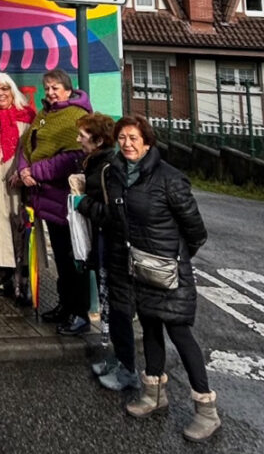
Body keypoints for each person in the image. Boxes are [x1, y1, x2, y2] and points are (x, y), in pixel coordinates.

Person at [97, 116, 219, 442]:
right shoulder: (117, 176)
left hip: (169, 272)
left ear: (147, 142)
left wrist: (176, 259)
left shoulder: (170, 179)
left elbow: (196, 232)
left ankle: (206, 410)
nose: (127, 143)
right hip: (138, 270)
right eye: (122, 137)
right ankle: (154, 393)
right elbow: (117, 221)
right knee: (150, 328)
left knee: (180, 335)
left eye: (134, 137)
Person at [17, 69, 90, 335]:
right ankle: (65, 306)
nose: (50, 92)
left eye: (56, 88)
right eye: (47, 88)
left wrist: (33, 172)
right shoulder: (45, 115)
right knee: (60, 257)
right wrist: (23, 168)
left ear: (68, 90)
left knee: (73, 259)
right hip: (47, 198)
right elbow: (26, 145)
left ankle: (79, 313)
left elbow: (70, 159)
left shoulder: (75, 117)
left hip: (65, 201)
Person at [72, 113, 135, 391]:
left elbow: (112, 213)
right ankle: (114, 358)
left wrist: (82, 202)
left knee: (117, 307)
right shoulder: (97, 162)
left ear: (97, 140)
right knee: (109, 303)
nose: (77, 140)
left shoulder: (108, 167)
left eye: (82, 136)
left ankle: (127, 367)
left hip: (115, 244)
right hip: (104, 242)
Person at [0, 73, 35, 300]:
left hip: (19, 177)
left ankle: (24, 278)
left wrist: (24, 170)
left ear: (12, 90)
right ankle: (5, 274)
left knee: (21, 223)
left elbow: (33, 148)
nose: (0, 93)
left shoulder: (27, 116)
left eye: (5, 88)